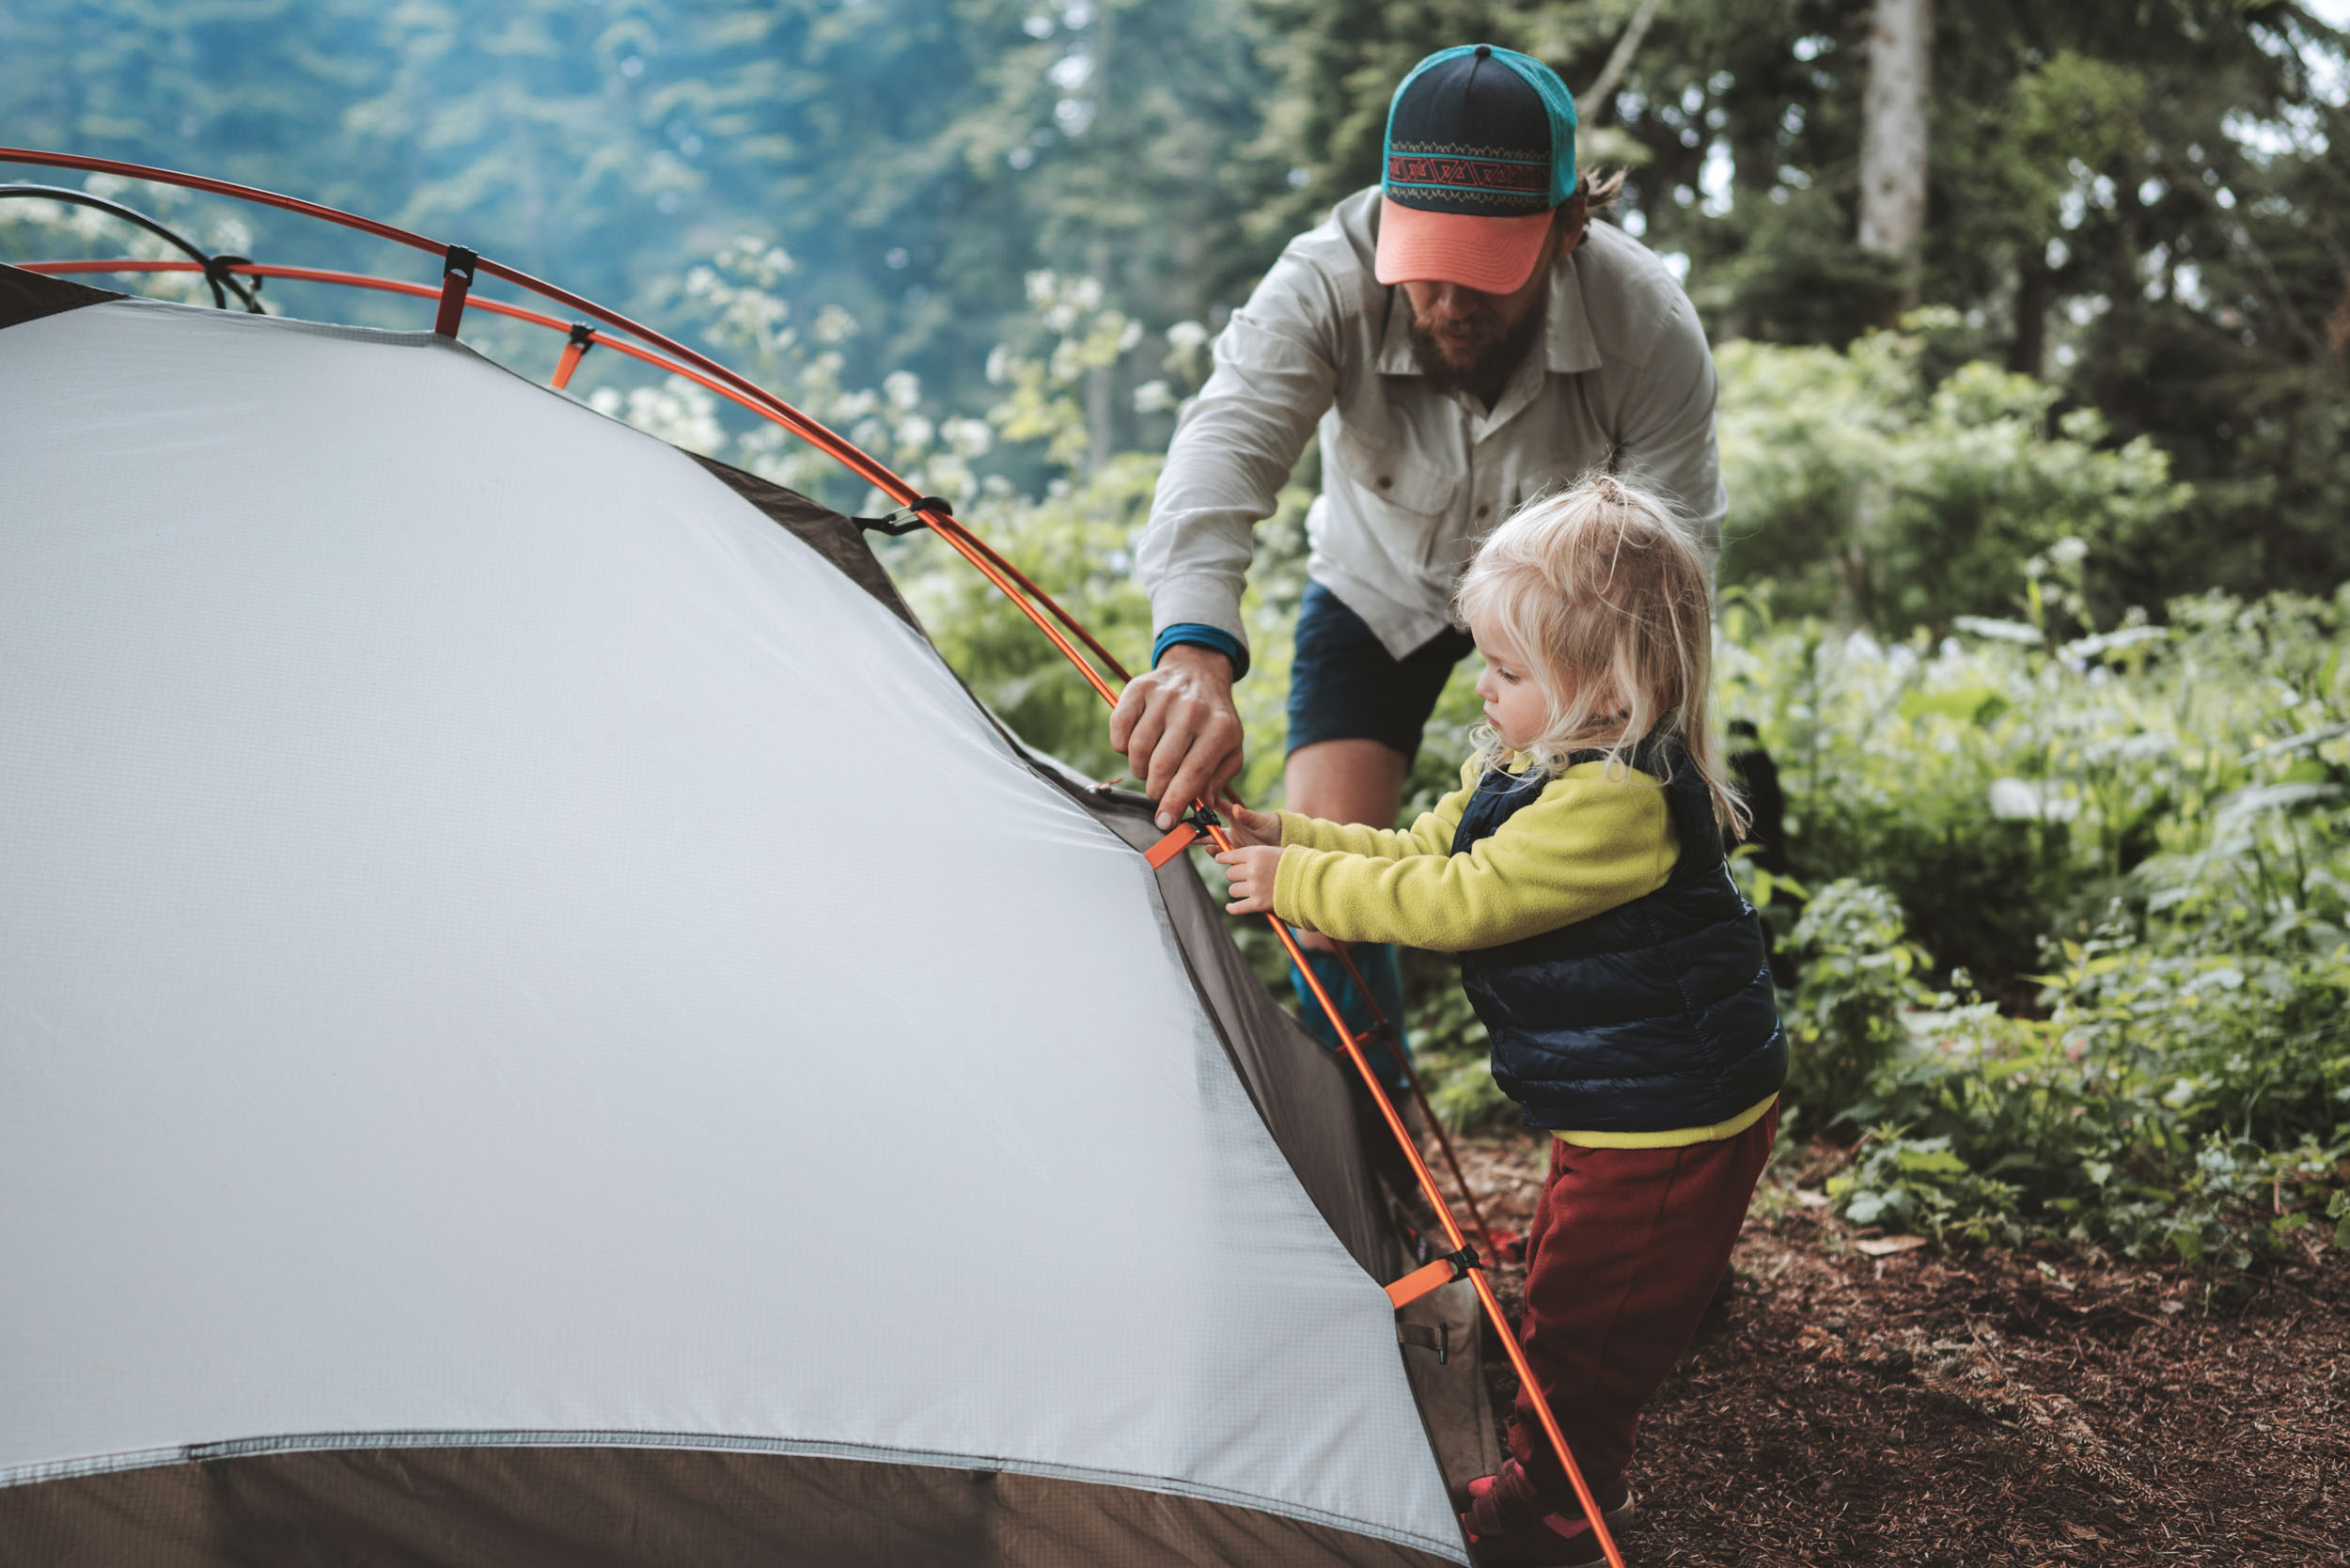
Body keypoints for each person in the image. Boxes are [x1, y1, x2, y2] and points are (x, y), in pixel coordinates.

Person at [1111, 41, 1726, 1080]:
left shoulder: (1647, 322)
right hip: (1373, 589)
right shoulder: (1323, 277)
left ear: (1570, 226)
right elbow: (1222, 451)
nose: (1444, 299)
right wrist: (1193, 654)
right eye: (1424, 259)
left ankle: (1629, 1096)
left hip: (1571, 630)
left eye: (1484, 268)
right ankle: (1375, 1147)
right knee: (1316, 898)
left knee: (1595, 872)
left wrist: (1644, 765)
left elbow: (1674, 572)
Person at [1214, 477, 1783, 1567]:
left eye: (1510, 671)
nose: (1483, 687)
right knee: (1572, 1267)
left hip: (1670, 1117)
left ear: (1606, 688)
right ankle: (1552, 1455)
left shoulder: (1612, 805)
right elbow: (1425, 851)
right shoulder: (1539, 764)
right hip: (1622, 1101)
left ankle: (1554, 1510)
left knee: (1584, 1334)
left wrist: (1294, 885)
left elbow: (1457, 905)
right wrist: (1286, 832)